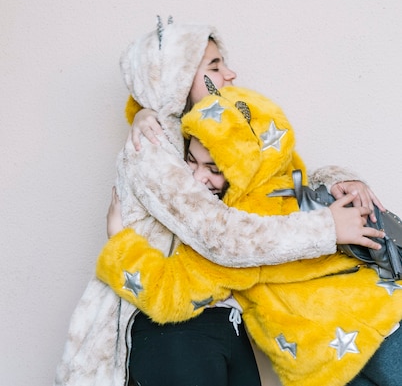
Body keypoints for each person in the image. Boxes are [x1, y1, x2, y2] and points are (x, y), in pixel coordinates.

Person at [54, 19, 382, 386]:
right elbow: (220, 236)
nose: (230, 73)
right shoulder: (151, 147)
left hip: (225, 320)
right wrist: (326, 228)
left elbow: (275, 179)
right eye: (213, 66)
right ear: (176, 76)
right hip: (171, 329)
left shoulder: (202, 132)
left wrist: (340, 179)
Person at [98, 83, 402, 386]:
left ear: (244, 166)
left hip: (380, 335)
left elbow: (168, 292)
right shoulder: (277, 196)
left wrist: (120, 244)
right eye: (190, 160)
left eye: (214, 168)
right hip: (337, 360)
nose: (197, 178)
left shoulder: (236, 233)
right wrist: (143, 113)